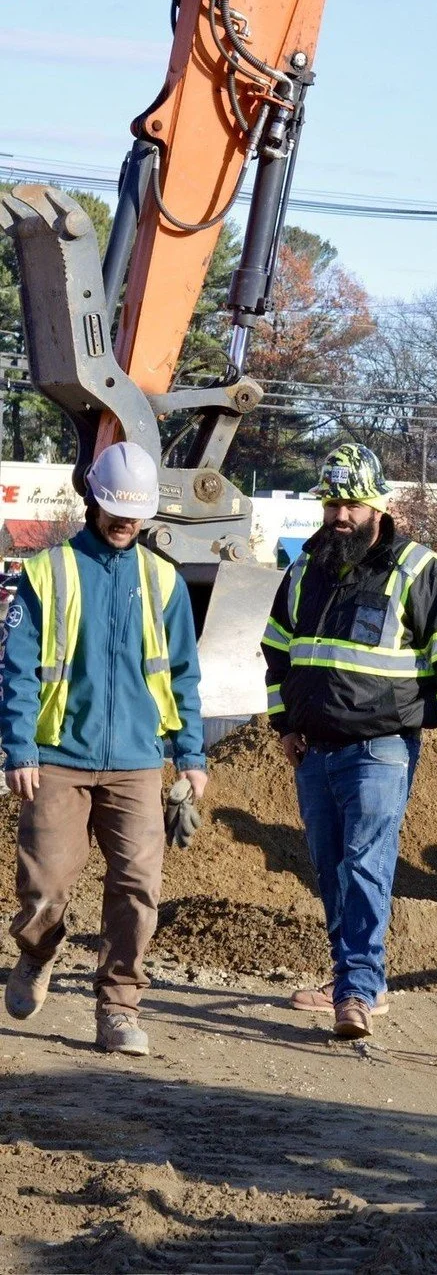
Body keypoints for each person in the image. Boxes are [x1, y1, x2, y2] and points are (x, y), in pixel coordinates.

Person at [262, 443, 437, 1040]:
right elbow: (277, 652)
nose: (340, 514)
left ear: (378, 506)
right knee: (331, 869)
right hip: (314, 749)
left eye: (352, 503)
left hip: (381, 747)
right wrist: (283, 725)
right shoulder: (305, 569)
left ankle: (359, 989)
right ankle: (353, 978)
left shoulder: (418, 569)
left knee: (365, 862)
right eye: (333, 501)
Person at [1, 442, 207, 1055]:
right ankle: (38, 951)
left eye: (135, 513)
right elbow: (16, 671)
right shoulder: (48, 571)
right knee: (44, 885)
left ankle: (119, 1008)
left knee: (138, 887)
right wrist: (19, 749)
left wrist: (190, 755)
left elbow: (182, 673)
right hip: (58, 755)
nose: (125, 523)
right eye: (116, 509)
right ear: (93, 498)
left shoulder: (162, 579)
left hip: (138, 761)